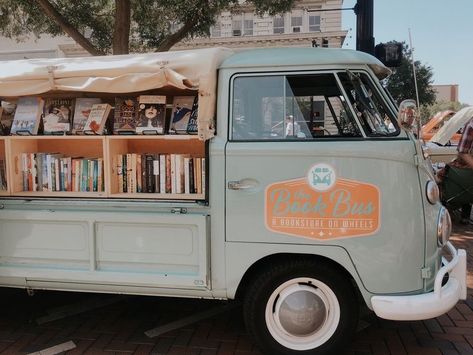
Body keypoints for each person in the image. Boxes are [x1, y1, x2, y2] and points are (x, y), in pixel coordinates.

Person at [439, 115, 473, 224]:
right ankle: (457, 211)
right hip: (466, 169)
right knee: (442, 177)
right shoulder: (471, 125)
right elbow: (462, 152)